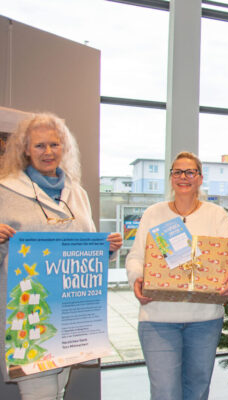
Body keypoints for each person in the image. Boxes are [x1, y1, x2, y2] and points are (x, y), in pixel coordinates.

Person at [0, 112, 123, 400]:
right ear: (25, 149)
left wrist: (106, 249)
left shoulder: (77, 193)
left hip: (70, 315)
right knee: (39, 396)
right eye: (40, 145)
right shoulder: (5, 191)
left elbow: (84, 246)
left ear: (64, 149)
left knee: (59, 392)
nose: (48, 152)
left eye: (54, 145)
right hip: (31, 315)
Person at [125, 151, 228, 400]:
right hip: (157, 319)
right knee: (165, 393)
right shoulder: (153, 213)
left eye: (190, 172)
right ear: (171, 178)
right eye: (178, 172)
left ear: (200, 178)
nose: (184, 177)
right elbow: (135, 257)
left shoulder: (215, 215)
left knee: (197, 392)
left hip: (204, 320)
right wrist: (136, 279)